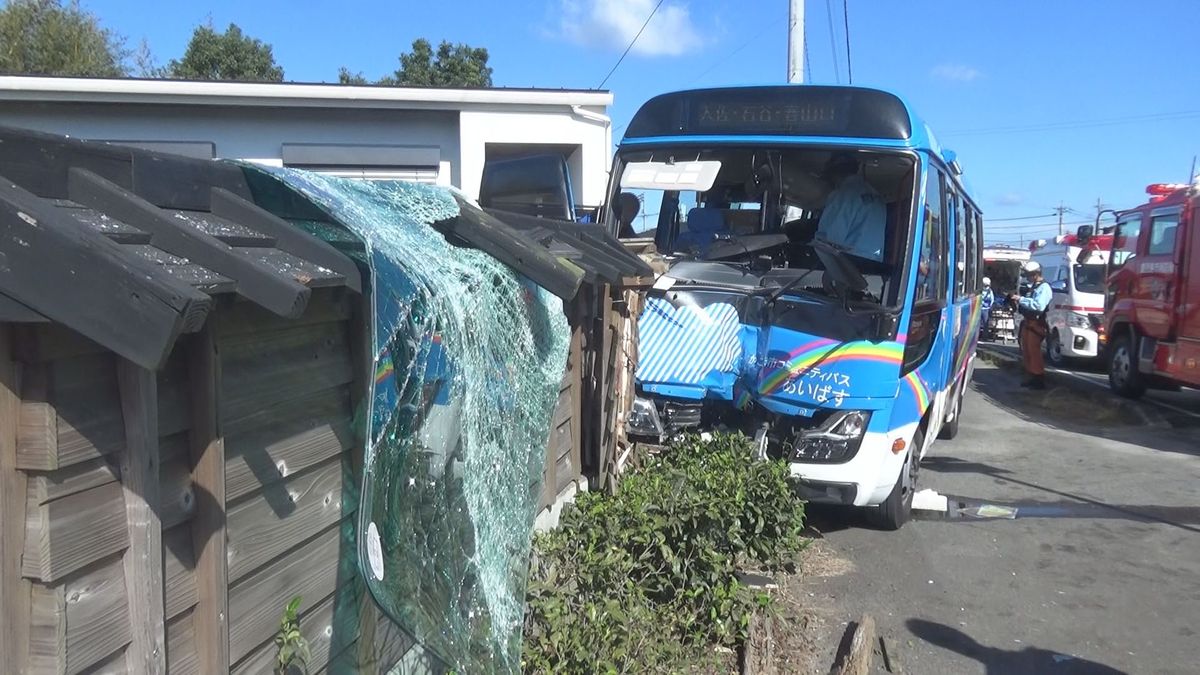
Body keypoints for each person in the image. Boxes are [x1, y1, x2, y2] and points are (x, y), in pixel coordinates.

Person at [814, 153, 887, 262]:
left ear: (834, 174)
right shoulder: (876, 196)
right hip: (873, 266)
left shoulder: (843, 195)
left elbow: (829, 240)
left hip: (848, 266)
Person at [1010, 261, 1052, 389]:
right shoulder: (1033, 287)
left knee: (1034, 351)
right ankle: (1031, 376)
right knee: (1027, 350)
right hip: (1028, 322)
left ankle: (1038, 379)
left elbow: (1038, 305)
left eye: (1029, 275)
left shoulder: (1044, 288)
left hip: (1037, 323)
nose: (1027, 277)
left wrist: (1020, 299)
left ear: (1035, 274)